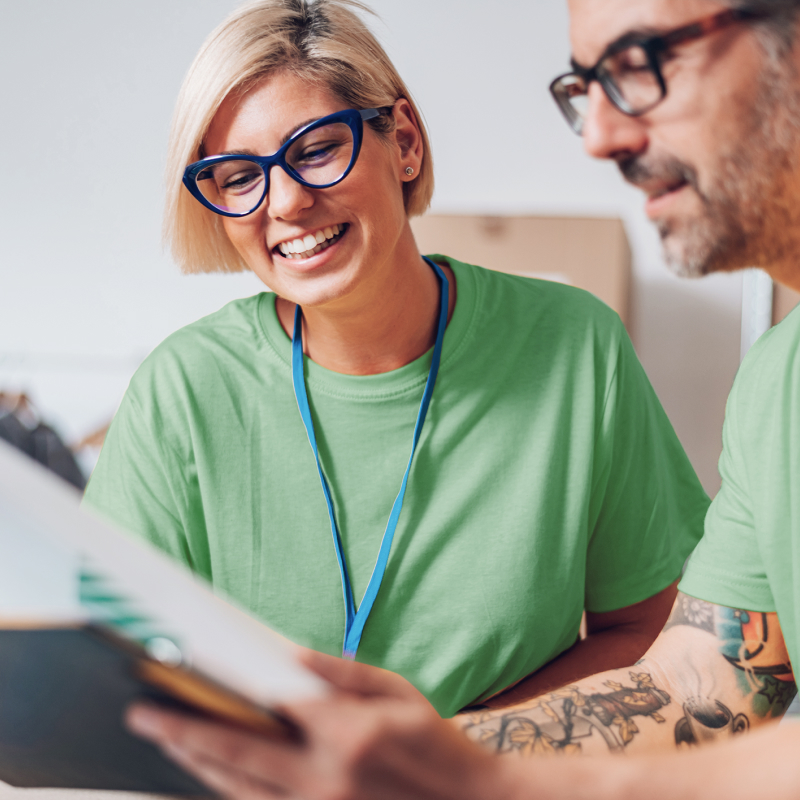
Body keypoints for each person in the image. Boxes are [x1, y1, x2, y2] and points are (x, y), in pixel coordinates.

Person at [124, 0, 800, 798]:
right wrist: (425, 762)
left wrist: (477, 780)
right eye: (590, 87)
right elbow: (716, 678)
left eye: (643, 61)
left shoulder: (574, 347)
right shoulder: (776, 378)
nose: (599, 137)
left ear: (402, 141)